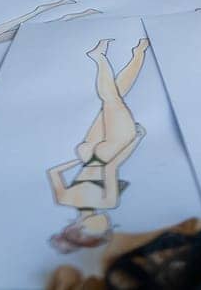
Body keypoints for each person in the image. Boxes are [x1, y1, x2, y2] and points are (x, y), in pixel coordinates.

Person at [47, 39, 149, 253]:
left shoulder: (108, 202)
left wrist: (137, 139)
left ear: (82, 228)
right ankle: (139, 51)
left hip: (108, 152)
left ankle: (99, 57)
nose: (107, 225)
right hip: (87, 151)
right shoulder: (64, 199)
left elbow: (112, 167)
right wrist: (80, 159)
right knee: (115, 96)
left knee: (112, 99)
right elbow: (54, 171)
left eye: (103, 230)